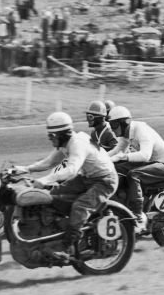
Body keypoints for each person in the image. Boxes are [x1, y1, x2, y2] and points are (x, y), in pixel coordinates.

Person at [16, 112, 118, 261]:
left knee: (80, 206)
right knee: (53, 196)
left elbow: (71, 169)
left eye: (52, 136)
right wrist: (25, 169)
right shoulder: (65, 144)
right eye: (49, 135)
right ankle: (55, 228)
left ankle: (66, 245)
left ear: (62, 134)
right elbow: (48, 162)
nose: (50, 139)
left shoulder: (77, 144)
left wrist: (45, 180)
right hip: (87, 178)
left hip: (105, 180)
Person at [106, 106, 164, 228]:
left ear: (124, 123)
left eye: (114, 125)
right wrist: (101, 159)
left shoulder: (141, 130)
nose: (112, 129)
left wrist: (123, 157)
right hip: (151, 164)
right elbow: (117, 150)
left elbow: (145, 155)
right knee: (116, 168)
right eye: (111, 125)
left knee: (134, 174)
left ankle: (137, 214)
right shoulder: (126, 134)